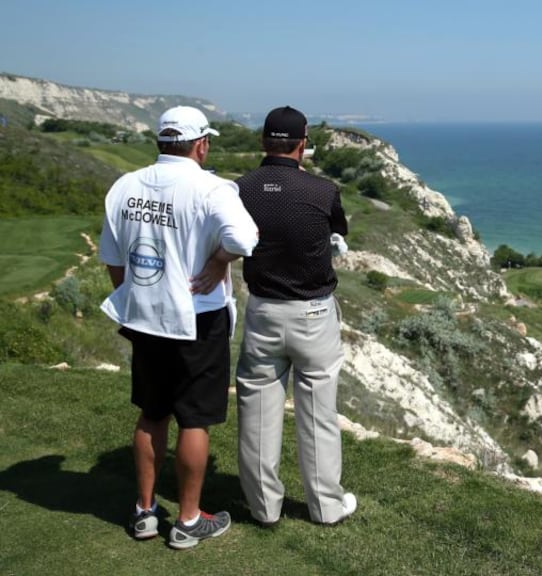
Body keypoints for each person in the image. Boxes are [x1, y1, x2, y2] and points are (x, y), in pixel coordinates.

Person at [98, 106, 259, 549]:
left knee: (152, 412)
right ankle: (188, 520)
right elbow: (244, 239)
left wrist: (134, 301)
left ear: (161, 141)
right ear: (201, 144)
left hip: (146, 317)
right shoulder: (210, 188)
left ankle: (145, 511)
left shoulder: (124, 186)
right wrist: (219, 261)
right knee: (195, 418)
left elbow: (113, 259)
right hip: (196, 317)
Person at [234, 106, 356, 526]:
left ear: (264, 141)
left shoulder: (240, 189)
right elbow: (339, 228)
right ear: (302, 143)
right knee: (318, 412)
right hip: (313, 312)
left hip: (263, 310)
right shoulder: (322, 191)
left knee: (258, 410)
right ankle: (326, 507)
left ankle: (264, 508)